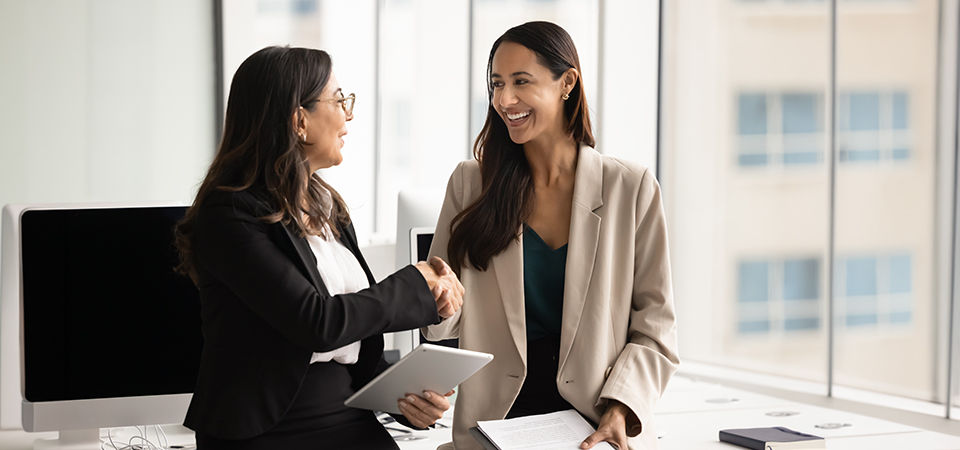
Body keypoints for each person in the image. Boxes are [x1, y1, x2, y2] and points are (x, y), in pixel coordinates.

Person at [174, 46, 464, 450]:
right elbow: (317, 323)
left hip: (346, 412)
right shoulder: (228, 214)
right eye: (338, 99)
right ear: (299, 120)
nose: (347, 114)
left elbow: (353, 341)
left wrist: (404, 399)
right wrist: (415, 283)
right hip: (266, 429)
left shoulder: (329, 207)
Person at [423, 21, 679, 450]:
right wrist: (431, 303)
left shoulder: (630, 188)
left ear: (567, 84)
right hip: (496, 423)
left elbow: (656, 327)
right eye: (497, 84)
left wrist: (622, 407)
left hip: (594, 424)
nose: (505, 100)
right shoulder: (471, 184)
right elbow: (443, 320)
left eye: (522, 81)